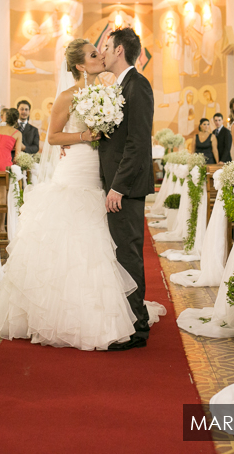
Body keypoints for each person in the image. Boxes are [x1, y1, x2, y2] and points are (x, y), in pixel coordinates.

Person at [0, 38, 139, 350]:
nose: (99, 56)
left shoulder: (108, 92)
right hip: (74, 168)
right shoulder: (68, 96)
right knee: (71, 235)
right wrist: (86, 135)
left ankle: (95, 311)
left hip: (96, 170)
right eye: (92, 54)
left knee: (95, 239)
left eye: (99, 51)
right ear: (78, 65)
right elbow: (53, 137)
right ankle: (59, 315)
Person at [98, 27, 155, 350]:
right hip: (115, 184)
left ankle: (138, 327)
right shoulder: (120, 86)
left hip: (126, 188)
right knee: (120, 253)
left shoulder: (138, 85)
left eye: (106, 47)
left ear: (119, 50)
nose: (103, 52)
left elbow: (137, 142)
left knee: (129, 254)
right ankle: (128, 317)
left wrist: (118, 186)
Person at [0, 108, 22, 173]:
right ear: (16, 120)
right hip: (4, 164)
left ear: (6, 118)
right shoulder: (17, 134)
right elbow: (17, 157)